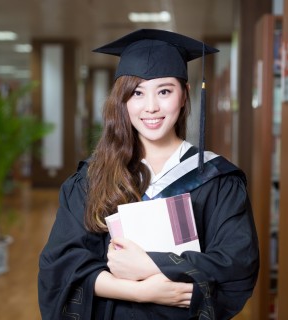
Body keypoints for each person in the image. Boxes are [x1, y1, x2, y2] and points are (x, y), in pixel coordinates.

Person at [38, 29, 259, 320]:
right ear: (123, 101)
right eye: (137, 93)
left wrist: (149, 265)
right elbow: (62, 267)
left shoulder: (217, 179)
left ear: (184, 95)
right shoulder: (92, 178)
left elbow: (236, 265)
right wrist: (143, 291)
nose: (151, 107)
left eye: (164, 91)